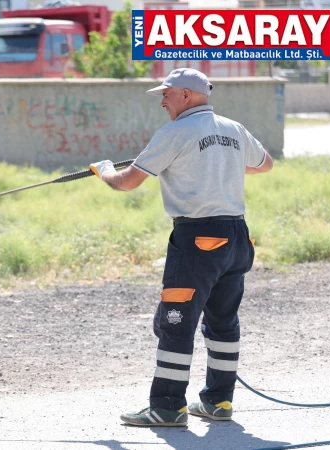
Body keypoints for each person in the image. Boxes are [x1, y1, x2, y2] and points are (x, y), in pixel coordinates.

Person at [89, 68, 274, 427]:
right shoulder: (234, 129)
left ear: (186, 96)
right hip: (237, 238)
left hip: (198, 240)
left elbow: (127, 183)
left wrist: (106, 170)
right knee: (223, 322)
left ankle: (167, 406)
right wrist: (221, 164)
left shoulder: (175, 132)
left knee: (176, 322)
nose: (162, 101)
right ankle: (219, 401)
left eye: (166, 94)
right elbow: (264, 164)